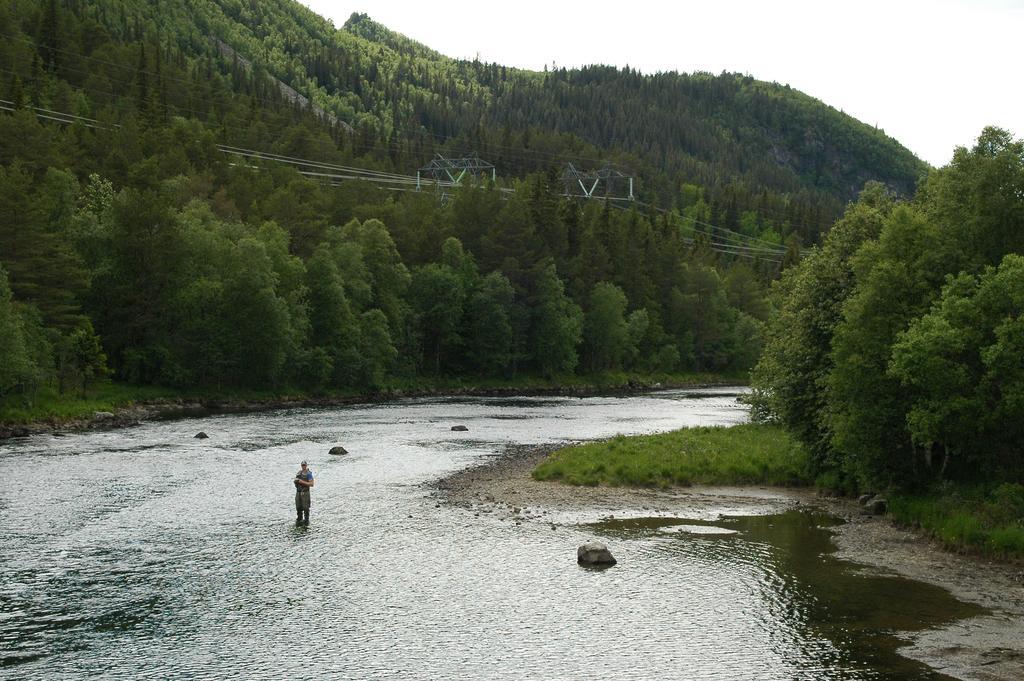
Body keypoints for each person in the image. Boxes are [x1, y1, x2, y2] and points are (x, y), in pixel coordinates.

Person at [294, 460, 314, 525]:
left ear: (306, 465)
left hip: (305, 493)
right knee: (298, 507)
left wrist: (301, 482)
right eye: (302, 465)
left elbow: (312, 484)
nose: (303, 466)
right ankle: (299, 519)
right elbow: (296, 481)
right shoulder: (299, 473)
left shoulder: (309, 474)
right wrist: (296, 481)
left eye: (304, 465)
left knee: (306, 508)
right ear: (301, 466)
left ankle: (306, 521)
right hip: (298, 492)